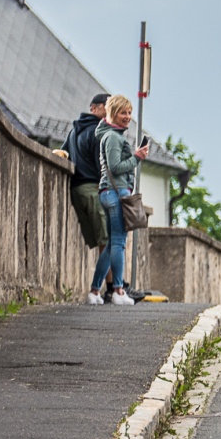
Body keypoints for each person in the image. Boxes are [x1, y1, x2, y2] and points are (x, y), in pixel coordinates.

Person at [89, 95, 149, 306]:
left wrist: (133, 155)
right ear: (113, 113)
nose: (128, 117)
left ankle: (95, 290)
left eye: (129, 113)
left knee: (110, 245)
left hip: (108, 192)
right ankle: (118, 291)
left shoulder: (109, 134)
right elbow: (115, 167)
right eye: (123, 112)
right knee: (119, 243)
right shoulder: (113, 137)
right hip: (116, 193)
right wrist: (136, 158)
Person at [55, 93, 114, 303]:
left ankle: (111, 288)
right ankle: (104, 290)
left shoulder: (74, 131)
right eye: (108, 108)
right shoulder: (100, 132)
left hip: (76, 189)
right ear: (95, 108)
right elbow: (103, 168)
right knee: (109, 240)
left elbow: (62, 154)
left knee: (103, 241)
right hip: (93, 189)